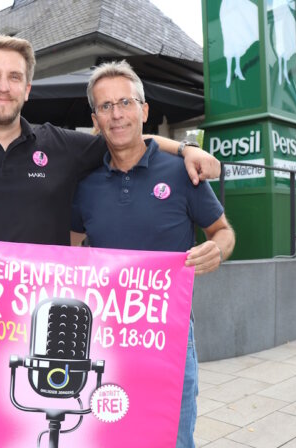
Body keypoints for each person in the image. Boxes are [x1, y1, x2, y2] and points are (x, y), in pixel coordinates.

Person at [0, 34, 221, 338]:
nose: (3, 86)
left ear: (27, 89)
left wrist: (184, 148)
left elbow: (125, 137)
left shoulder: (60, 145)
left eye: (15, 77)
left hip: (39, 333)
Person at [70, 60, 235, 447]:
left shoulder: (182, 171)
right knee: (110, 436)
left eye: (125, 102)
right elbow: (73, 245)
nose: (117, 114)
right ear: (95, 119)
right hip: (106, 336)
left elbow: (223, 231)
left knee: (173, 437)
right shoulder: (86, 183)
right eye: (106, 106)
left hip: (172, 335)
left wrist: (217, 250)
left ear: (143, 110)